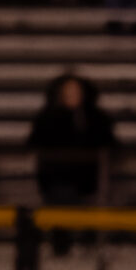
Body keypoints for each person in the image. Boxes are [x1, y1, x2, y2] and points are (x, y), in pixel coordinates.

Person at [27, 74, 116, 205]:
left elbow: (108, 142)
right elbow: (35, 143)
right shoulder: (48, 117)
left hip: (89, 181)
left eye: (77, 91)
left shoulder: (94, 117)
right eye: (68, 91)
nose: (73, 95)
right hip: (57, 181)